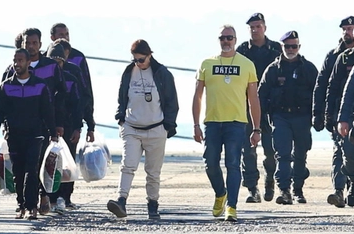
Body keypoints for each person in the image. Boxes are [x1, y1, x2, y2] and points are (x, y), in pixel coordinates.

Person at [192, 25, 262, 223]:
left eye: (229, 38)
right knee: (210, 163)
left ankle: (232, 206)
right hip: (212, 123)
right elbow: (197, 96)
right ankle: (220, 193)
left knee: (233, 163)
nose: (226, 41)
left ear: (235, 39)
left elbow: (253, 99)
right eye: (222, 38)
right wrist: (196, 125)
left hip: (236, 123)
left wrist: (256, 128)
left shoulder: (247, 64)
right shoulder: (207, 63)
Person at [110, 40, 178, 220]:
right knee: (128, 165)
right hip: (132, 127)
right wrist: (121, 118)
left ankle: (153, 204)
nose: (138, 63)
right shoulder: (129, 72)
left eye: (141, 60)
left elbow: (172, 102)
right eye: (135, 60)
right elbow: (121, 96)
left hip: (156, 128)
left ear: (149, 55)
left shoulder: (162, 73)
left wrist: (168, 126)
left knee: (153, 171)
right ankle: (121, 200)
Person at [0, 49, 58, 219]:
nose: (17, 64)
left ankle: (31, 207)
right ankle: (21, 204)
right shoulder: (6, 86)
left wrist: (53, 132)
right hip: (13, 135)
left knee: (31, 169)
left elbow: (47, 111)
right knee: (18, 171)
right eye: (15, 60)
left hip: (35, 136)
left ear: (28, 63)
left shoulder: (40, 85)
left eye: (20, 60)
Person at [261, 31, 317, 205]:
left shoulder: (308, 68)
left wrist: (318, 117)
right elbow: (261, 95)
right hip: (281, 117)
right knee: (283, 155)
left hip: (302, 117)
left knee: (300, 155)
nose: (291, 49)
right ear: (282, 47)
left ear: (299, 47)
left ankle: (298, 190)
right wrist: (261, 120)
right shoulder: (272, 69)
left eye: (294, 46)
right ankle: (284, 190)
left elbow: (319, 94)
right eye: (287, 46)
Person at [324, 24, 354, 208]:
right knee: (348, 155)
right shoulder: (344, 59)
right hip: (349, 115)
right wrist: (330, 115)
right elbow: (334, 87)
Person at [236, 13, 283, 203]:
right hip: (246, 106)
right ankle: (252, 188)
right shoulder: (242, 51)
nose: (255, 30)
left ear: (264, 27)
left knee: (272, 150)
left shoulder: (276, 49)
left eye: (258, 26)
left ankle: (270, 180)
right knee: (247, 150)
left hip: (270, 107)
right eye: (252, 27)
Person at [48, 23, 96, 210]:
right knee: (51, 160)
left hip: (70, 120)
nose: (64, 37)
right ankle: (49, 197)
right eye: (61, 34)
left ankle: (66, 198)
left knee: (69, 160)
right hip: (50, 120)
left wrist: (87, 123)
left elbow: (85, 94)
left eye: (67, 34)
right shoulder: (46, 60)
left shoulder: (77, 60)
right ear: (52, 37)